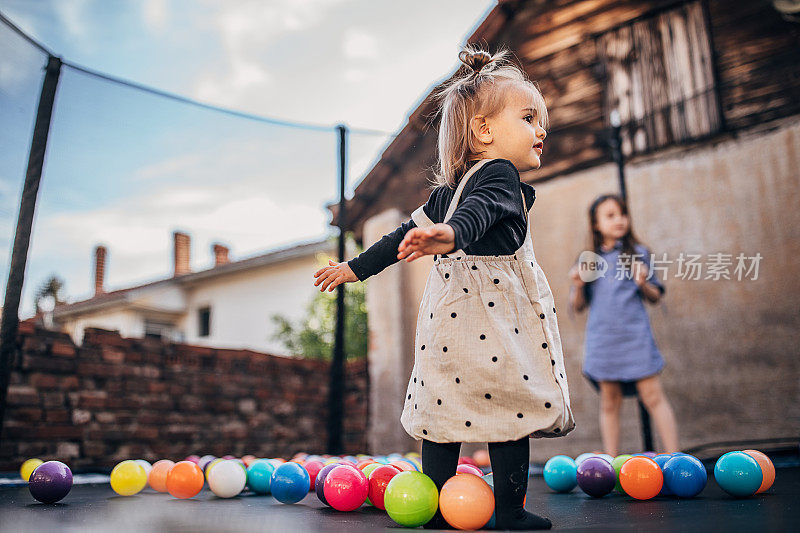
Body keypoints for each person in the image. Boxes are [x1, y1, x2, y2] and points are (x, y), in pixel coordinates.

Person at [313, 46, 574, 530]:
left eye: (543, 121)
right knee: (506, 406)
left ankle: (431, 504)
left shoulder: (459, 190)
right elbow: (456, 220)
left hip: (449, 321)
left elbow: (476, 214)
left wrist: (364, 265)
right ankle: (510, 513)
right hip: (494, 323)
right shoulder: (495, 174)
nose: (542, 130)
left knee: (441, 405)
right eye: (530, 117)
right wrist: (360, 265)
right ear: (484, 130)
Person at [568, 193, 679, 456]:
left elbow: (656, 296)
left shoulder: (639, 253)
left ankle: (675, 456)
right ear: (596, 224)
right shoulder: (589, 259)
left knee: (653, 396)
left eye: (622, 214)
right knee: (609, 401)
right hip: (603, 339)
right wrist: (578, 285)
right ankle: (611, 461)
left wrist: (643, 284)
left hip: (635, 336)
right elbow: (578, 306)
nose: (619, 220)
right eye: (610, 215)